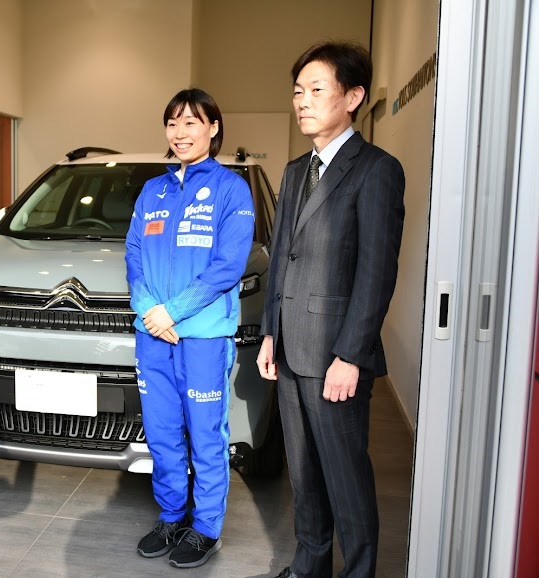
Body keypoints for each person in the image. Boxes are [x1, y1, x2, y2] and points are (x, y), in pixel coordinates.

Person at [256, 42, 405, 578]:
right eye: (298, 91)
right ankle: (309, 564)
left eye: (317, 90)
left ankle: (359, 571)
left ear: (354, 96)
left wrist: (351, 355)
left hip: (336, 356)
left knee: (346, 478)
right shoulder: (296, 170)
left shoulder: (376, 170)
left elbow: (375, 274)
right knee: (304, 475)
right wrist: (270, 333)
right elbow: (281, 262)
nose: (303, 101)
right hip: (291, 350)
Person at [126, 88, 255, 569]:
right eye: (173, 124)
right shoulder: (152, 191)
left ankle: (205, 528)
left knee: (205, 434)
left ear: (213, 128)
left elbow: (227, 266)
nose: (180, 133)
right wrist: (148, 312)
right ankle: (171, 515)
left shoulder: (230, 190)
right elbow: (134, 255)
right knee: (161, 432)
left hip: (201, 336)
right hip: (152, 334)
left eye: (192, 123)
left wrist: (172, 312)